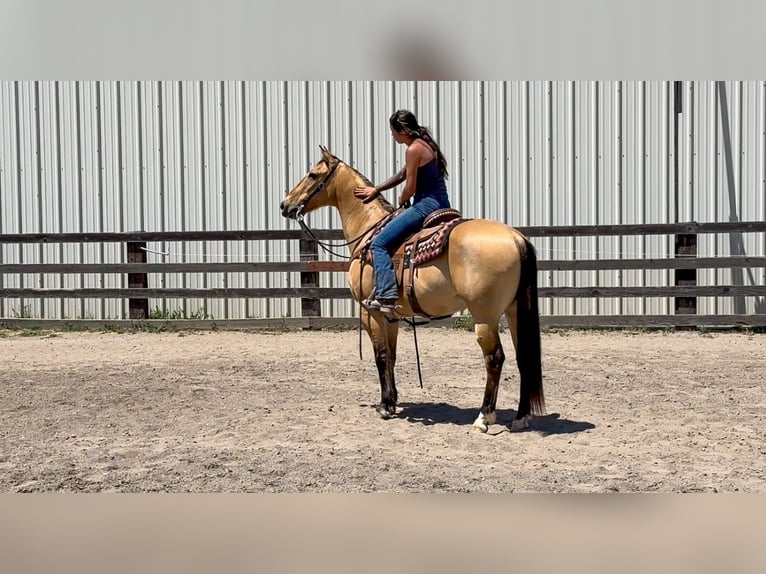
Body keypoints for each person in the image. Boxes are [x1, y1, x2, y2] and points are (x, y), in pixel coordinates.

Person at [354, 109, 451, 314]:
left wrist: (402, 197)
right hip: (442, 203)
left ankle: (387, 295)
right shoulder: (426, 145)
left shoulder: (413, 149)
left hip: (426, 205)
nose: (392, 135)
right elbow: (403, 173)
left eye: (393, 131)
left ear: (403, 131)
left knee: (378, 243)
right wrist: (377, 189)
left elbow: (410, 185)